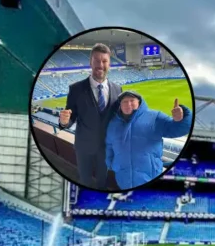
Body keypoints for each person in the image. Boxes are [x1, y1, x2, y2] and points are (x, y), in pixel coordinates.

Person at [59, 43, 123, 189]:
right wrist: (64, 122)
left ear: (109, 64)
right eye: (96, 60)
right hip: (84, 148)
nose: (100, 65)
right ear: (90, 62)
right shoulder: (76, 89)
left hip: (106, 148)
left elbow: (118, 118)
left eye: (104, 61)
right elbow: (70, 117)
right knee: (85, 182)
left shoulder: (118, 89)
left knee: (102, 181)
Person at [105, 92, 192, 189]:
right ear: (120, 105)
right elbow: (109, 145)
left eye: (132, 101)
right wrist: (111, 164)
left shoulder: (154, 117)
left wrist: (181, 119)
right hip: (122, 179)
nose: (128, 104)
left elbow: (178, 129)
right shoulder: (113, 123)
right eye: (124, 102)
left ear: (139, 102)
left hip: (150, 177)